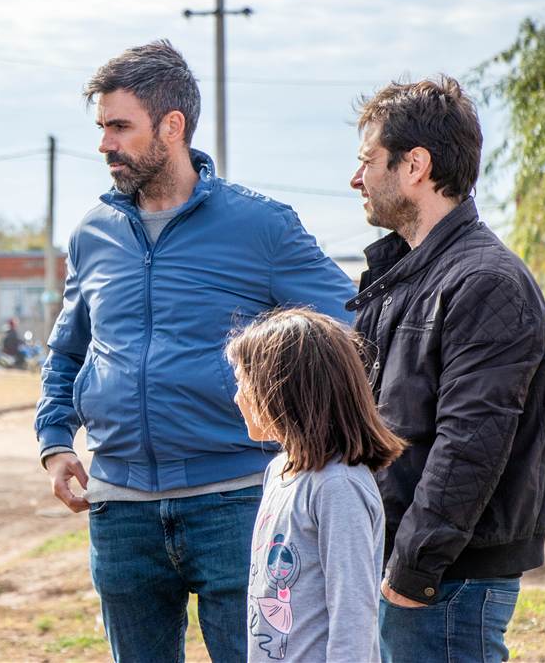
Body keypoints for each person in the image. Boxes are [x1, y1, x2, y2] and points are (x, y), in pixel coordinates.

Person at [35, 40, 356, 662]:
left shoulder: (262, 226)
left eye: (120, 126)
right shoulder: (91, 233)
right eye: (102, 127)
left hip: (237, 501)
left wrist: (314, 436)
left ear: (172, 125)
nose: (105, 143)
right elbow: (67, 347)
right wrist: (53, 442)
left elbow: (349, 326)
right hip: (120, 509)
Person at [348, 76, 545, 663]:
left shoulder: (483, 283)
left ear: (415, 165)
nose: (355, 178)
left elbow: (471, 444)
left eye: (367, 160)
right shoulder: (403, 278)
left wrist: (413, 571)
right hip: (408, 563)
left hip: (445, 580)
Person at [226, 308, 406, 662]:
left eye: (243, 384)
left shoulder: (338, 486)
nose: (237, 397)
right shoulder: (279, 471)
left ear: (283, 391)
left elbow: (353, 613)